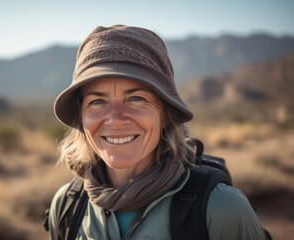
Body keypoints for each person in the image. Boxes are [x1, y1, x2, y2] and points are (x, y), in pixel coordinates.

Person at [48, 25, 266, 239]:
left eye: (136, 99)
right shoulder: (67, 206)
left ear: (166, 114)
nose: (115, 119)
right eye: (97, 101)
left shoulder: (221, 209)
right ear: (81, 117)